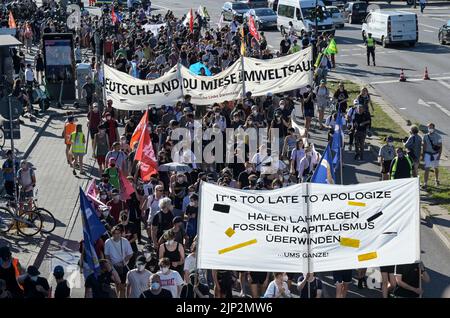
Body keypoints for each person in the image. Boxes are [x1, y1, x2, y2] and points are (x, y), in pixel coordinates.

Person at [104, 225, 134, 298]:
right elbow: (107, 256)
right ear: (112, 234)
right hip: (113, 267)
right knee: (117, 284)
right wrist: (111, 266)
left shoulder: (125, 241)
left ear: (121, 234)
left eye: (118, 233)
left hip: (123, 266)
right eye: (115, 233)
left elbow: (130, 254)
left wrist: (123, 262)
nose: (117, 235)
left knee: (123, 286)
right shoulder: (108, 242)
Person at [422, 123, 442, 190]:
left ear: (434, 128)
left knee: (436, 167)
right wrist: (423, 154)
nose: (430, 129)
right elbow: (424, 146)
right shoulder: (425, 136)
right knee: (427, 168)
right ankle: (425, 183)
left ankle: (436, 179)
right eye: (429, 127)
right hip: (428, 154)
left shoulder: (438, 136)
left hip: (435, 154)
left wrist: (439, 155)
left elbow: (440, 146)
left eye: (431, 127)